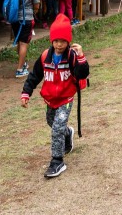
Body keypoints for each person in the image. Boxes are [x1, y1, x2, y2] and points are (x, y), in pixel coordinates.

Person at [21, 13, 90, 178]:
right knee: (52, 122)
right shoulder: (45, 56)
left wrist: (81, 56)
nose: (59, 45)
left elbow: (82, 73)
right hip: (50, 98)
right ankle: (68, 133)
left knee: (57, 127)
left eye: (63, 41)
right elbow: (35, 75)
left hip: (66, 98)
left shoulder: (72, 56)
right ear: (51, 40)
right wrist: (26, 92)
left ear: (68, 41)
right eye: (56, 41)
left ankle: (57, 161)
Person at [13, 0, 40, 78]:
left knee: (19, 42)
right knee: (24, 44)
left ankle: (22, 63)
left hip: (15, 20)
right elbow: (37, 5)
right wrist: (34, 12)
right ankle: (19, 70)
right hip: (26, 19)